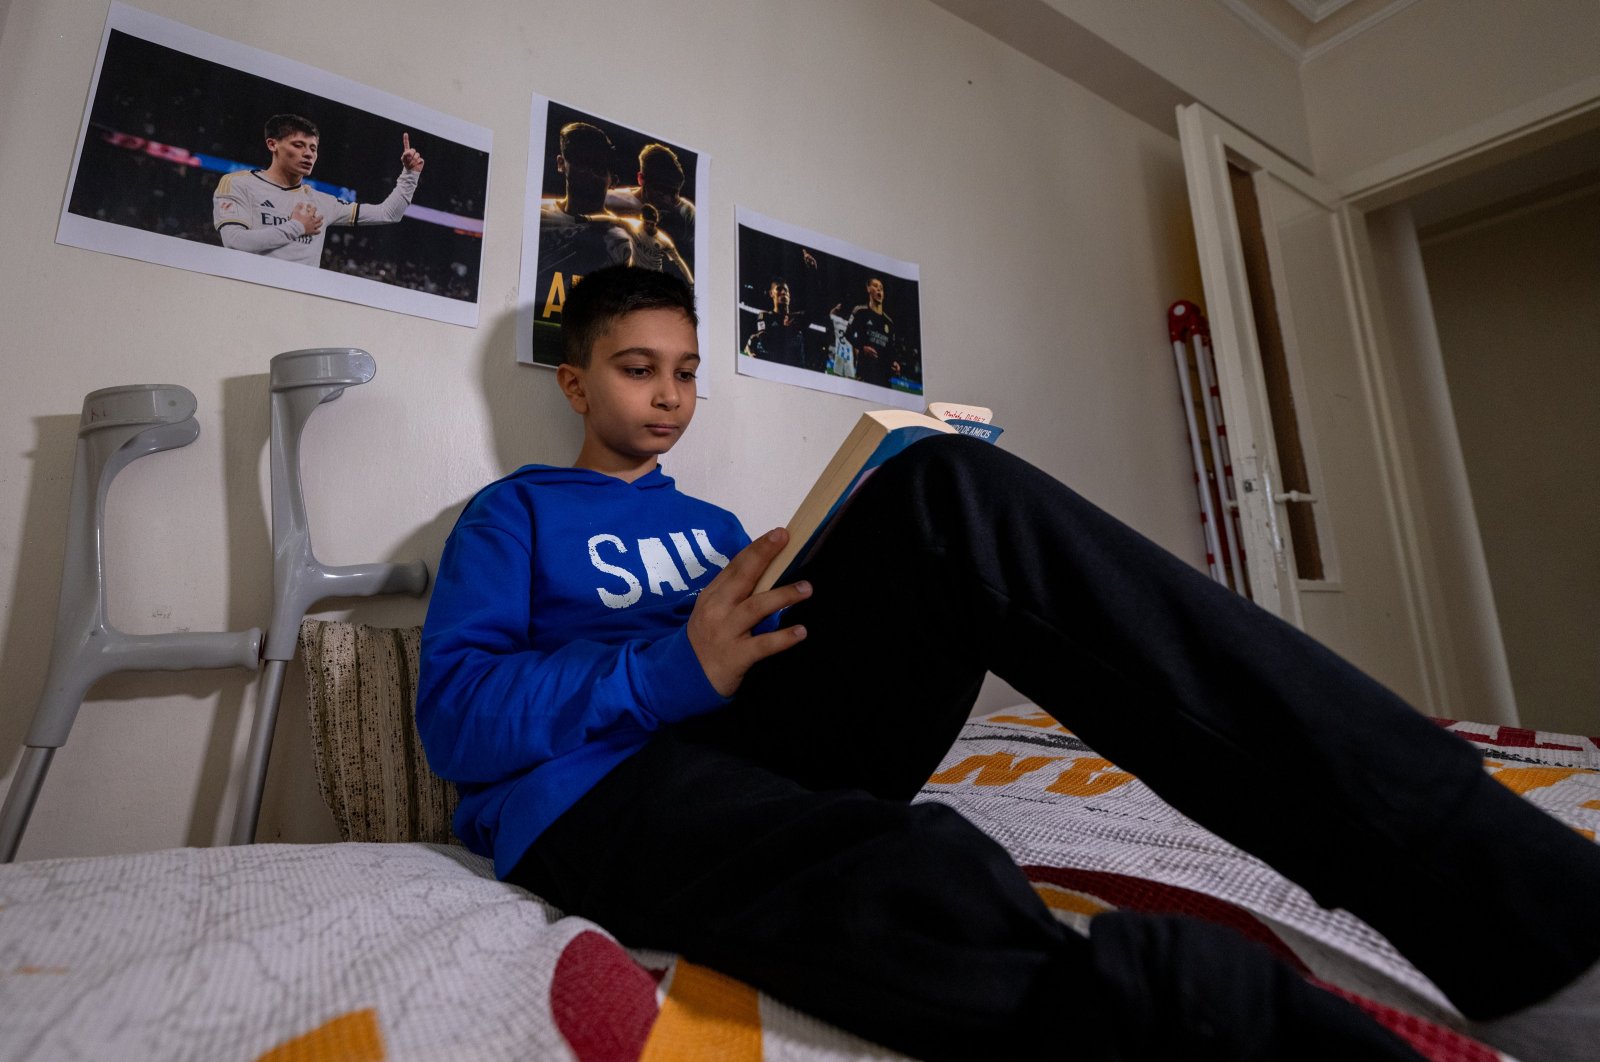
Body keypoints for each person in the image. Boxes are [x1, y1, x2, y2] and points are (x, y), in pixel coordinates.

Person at [417, 265, 1600, 1062]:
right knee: (901, 867)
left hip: (756, 736)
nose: (668, 395)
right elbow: (456, 723)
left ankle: (1527, 916)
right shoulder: (509, 516)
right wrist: (670, 670)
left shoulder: (719, 527)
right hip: (605, 789)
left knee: (946, 490)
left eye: (683, 372)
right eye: (637, 369)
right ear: (575, 382)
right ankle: (1197, 1019)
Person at [211, 114, 423, 265]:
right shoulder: (239, 183)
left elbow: (388, 214)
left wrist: (410, 175)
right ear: (272, 144)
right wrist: (296, 227)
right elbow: (235, 241)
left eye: (313, 148)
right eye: (298, 145)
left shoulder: (323, 202)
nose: (308, 154)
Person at [605, 141, 697, 264]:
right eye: (662, 190)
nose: (670, 199)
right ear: (641, 179)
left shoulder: (687, 212)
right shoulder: (609, 200)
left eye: (675, 192)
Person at [743, 250, 825, 371]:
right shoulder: (765, 316)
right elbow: (767, 344)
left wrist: (813, 272)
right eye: (779, 289)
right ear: (771, 293)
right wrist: (786, 330)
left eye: (786, 290)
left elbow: (818, 307)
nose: (783, 292)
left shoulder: (798, 317)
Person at [844, 276, 896, 387]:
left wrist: (894, 363)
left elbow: (890, 348)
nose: (879, 290)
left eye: (881, 288)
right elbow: (848, 333)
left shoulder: (889, 322)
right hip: (865, 373)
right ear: (868, 289)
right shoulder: (860, 311)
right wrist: (862, 348)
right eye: (875, 286)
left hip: (884, 378)